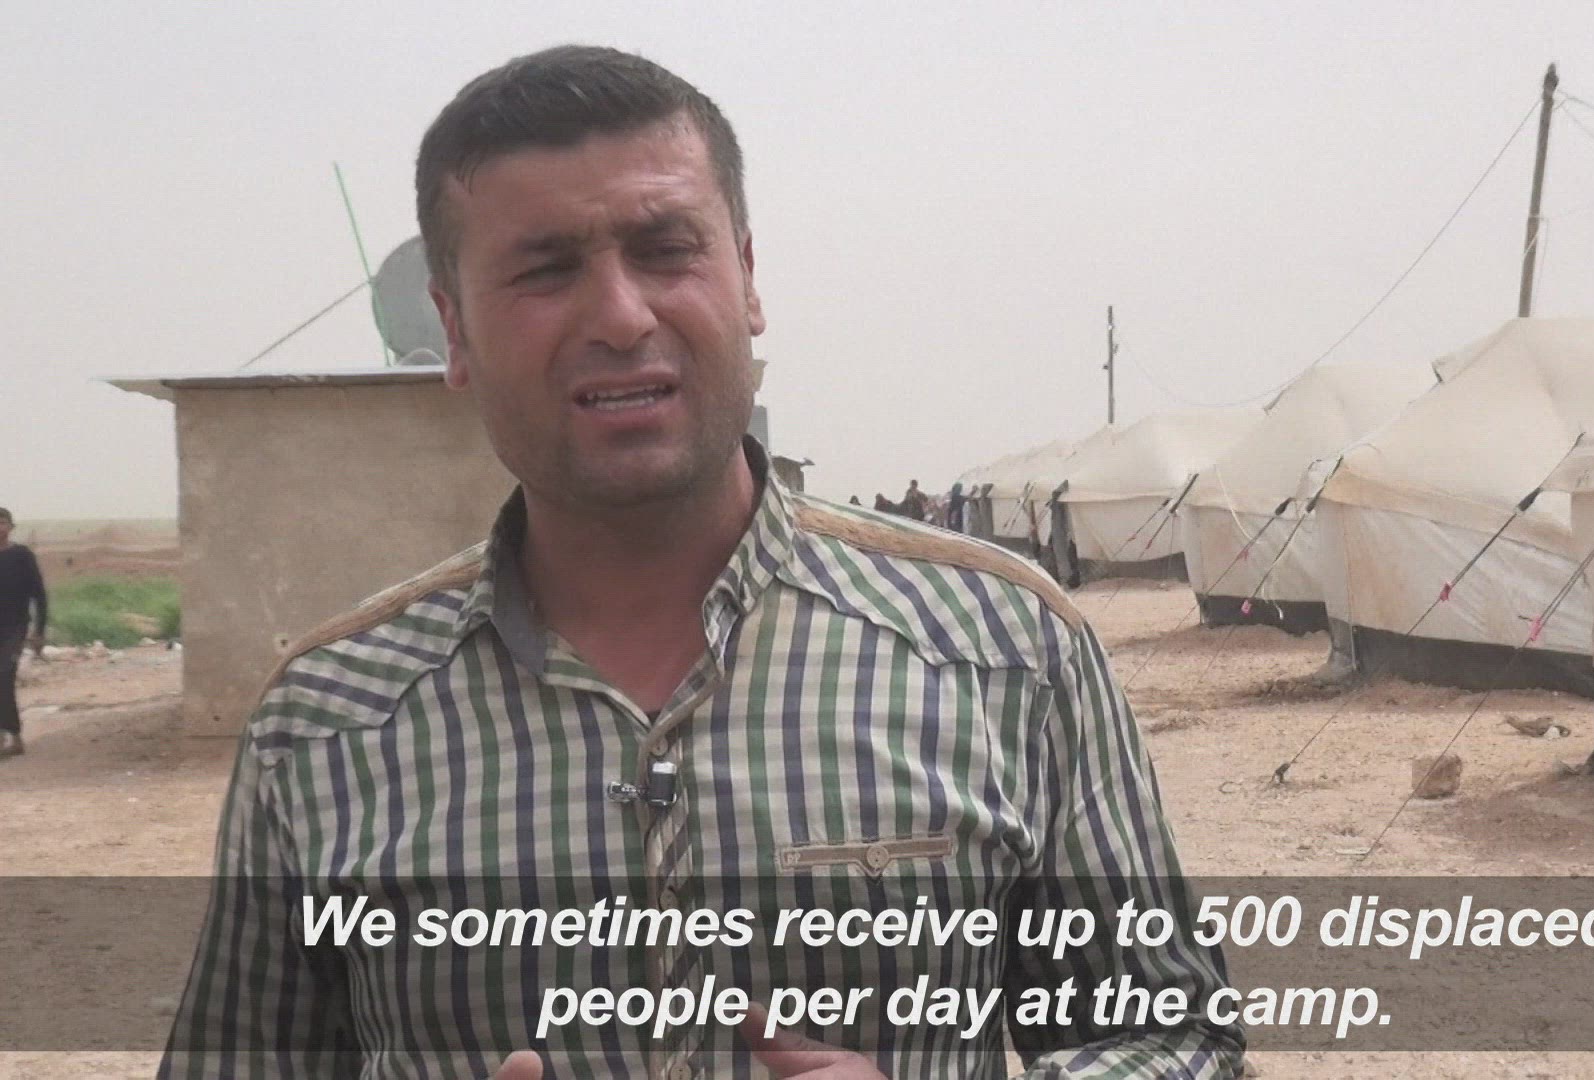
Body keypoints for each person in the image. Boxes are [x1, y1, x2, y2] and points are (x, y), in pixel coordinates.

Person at [160, 45, 1239, 1080]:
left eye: (666, 249)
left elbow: (1176, 1034)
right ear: (452, 326)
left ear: (748, 278)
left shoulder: (1005, 654)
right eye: (545, 270)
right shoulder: (328, 722)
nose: (621, 316)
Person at [0, 507, 48, 758]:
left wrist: (39, 631)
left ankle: (13, 736)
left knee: (4, 677)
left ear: (11, 527)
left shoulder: (21, 556)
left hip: (14, 627)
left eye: (2, 522)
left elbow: (39, 595)